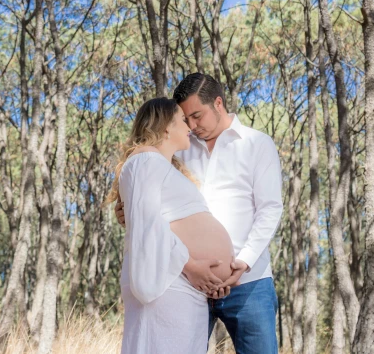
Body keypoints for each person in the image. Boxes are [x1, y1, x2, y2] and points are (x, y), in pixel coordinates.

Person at [117, 73, 284, 354]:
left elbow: (270, 208)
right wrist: (127, 211)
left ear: (218, 103)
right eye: (186, 119)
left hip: (247, 281)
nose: (192, 126)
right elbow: (154, 205)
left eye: (197, 116)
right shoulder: (178, 149)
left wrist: (243, 260)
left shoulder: (256, 144)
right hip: (188, 279)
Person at [108, 97, 238, 354]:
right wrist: (191, 267)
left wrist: (210, 275)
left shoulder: (161, 166)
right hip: (168, 284)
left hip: (182, 287)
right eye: (182, 119)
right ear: (166, 126)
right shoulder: (145, 160)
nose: (189, 124)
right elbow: (148, 225)